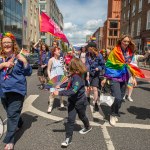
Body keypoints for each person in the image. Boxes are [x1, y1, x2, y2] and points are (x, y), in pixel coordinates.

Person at [101, 34, 145, 126]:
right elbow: (109, 64)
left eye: (128, 41)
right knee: (117, 97)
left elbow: (132, 65)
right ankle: (112, 115)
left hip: (124, 76)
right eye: (124, 41)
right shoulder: (114, 51)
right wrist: (105, 78)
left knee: (120, 98)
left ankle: (114, 111)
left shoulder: (130, 52)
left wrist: (133, 77)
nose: (126, 43)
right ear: (120, 41)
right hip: (114, 76)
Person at [0, 32, 32, 150]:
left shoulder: (19, 57)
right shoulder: (0, 57)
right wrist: (4, 64)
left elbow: (28, 73)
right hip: (3, 90)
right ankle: (19, 122)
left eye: (9, 42)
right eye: (4, 43)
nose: (6, 44)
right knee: (10, 111)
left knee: (12, 114)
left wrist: (24, 61)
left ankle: (10, 141)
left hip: (17, 90)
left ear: (13, 44)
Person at [53, 58, 92, 148]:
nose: (67, 68)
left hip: (80, 102)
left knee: (82, 116)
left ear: (75, 69)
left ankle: (88, 127)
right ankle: (68, 139)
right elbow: (68, 83)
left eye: (69, 67)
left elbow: (73, 91)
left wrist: (59, 92)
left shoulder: (77, 78)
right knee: (70, 120)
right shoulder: (73, 76)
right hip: (72, 102)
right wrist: (60, 85)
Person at [86, 46, 105, 112]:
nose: (89, 51)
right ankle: (87, 98)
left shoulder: (99, 55)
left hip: (96, 74)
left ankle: (95, 103)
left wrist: (98, 68)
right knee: (88, 88)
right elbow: (87, 65)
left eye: (90, 49)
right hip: (90, 73)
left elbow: (102, 65)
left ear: (93, 49)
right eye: (88, 50)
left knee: (95, 88)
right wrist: (87, 75)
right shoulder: (88, 55)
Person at [47, 47, 65, 113]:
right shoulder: (51, 60)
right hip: (54, 78)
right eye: (58, 51)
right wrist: (50, 77)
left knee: (61, 91)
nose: (59, 52)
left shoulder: (61, 59)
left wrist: (66, 70)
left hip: (61, 77)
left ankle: (61, 102)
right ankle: (50, 106)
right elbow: (48, 69)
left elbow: (63, 67)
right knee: (52, 92)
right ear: (54, 52)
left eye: (59, 51)